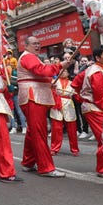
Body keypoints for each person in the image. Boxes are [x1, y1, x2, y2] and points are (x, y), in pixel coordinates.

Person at [17, 36, 69, 177]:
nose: (37, 45)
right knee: (39, 132)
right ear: (26, 45)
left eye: (39, 43)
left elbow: (39, 74)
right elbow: (42, 70)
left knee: (33, 131)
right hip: (33, 97)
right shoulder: (28, 57)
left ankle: (28, 162)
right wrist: (60, 65)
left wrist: (48, 81)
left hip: (34, 97)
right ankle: (46, 167)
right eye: (34, 43)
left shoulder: (32, 57)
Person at [71, 46, 103, 179]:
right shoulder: (97, 72)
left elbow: (75, 83)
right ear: (98, 58)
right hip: (95, 108)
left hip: (95, 106)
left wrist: (80, 96)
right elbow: (99, 96)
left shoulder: (94, 69)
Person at [50, 69, 79, 156]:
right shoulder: (54, 81)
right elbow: (48, 91)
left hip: (69, 104)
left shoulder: (72, 83)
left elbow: (77, 95)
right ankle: (54, 148)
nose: (63, 73)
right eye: (61, 71)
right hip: (57, 104)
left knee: (72, 129)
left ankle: (74, 149)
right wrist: (52, 88)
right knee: (56, 129)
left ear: (68, 73)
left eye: (65, 71)